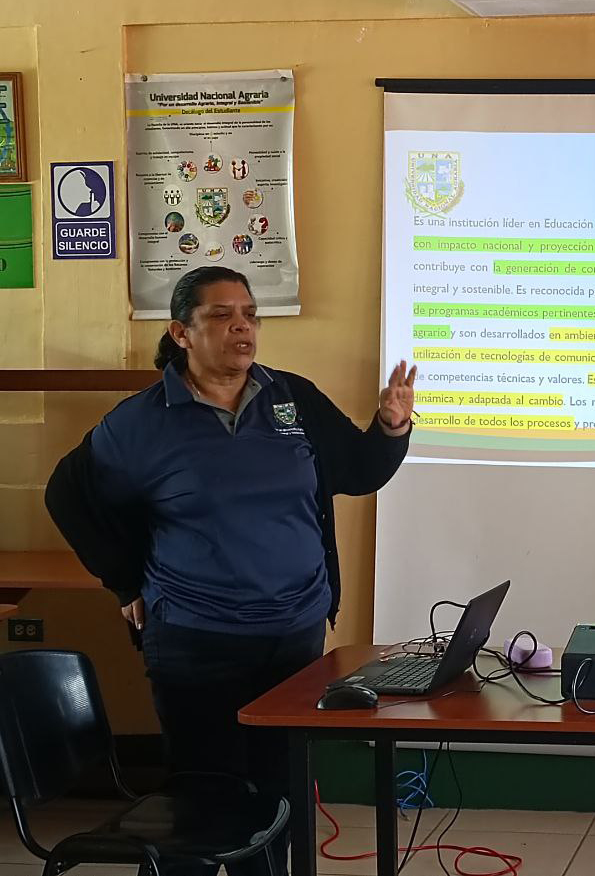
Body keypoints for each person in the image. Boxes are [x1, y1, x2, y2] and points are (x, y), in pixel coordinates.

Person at [45, 265, 416, 875]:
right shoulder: (142, 421)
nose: (242, 327)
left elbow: (356, 470)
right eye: (221, 315)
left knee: (278, 791)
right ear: (181, 333)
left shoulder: (291, 396)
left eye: (249, 315)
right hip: (196, 640)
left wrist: (391, 427)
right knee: (203, 799)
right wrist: (124, 581)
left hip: (293, 633)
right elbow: (68, 495)